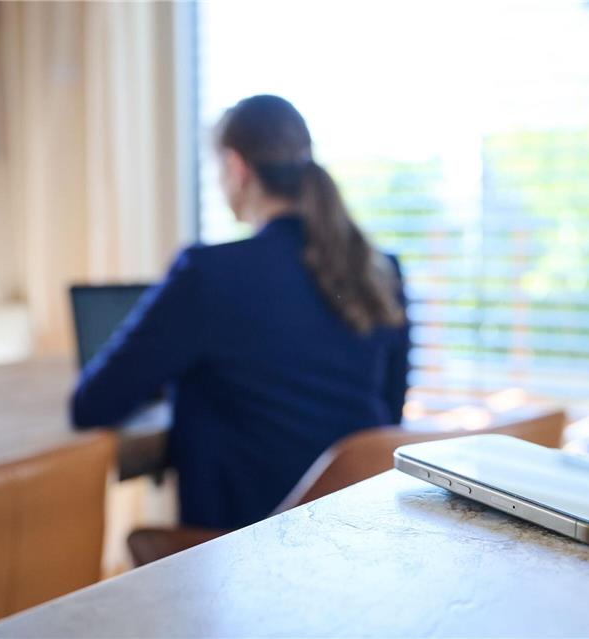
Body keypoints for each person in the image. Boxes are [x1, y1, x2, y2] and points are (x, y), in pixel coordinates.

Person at [71, 95, 410, 530]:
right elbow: (389, 417)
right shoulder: (380, 270)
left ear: (236, 167)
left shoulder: (207, 274)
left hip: (241, 553)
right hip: (360, 534)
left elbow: (92, 403)